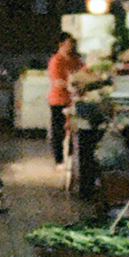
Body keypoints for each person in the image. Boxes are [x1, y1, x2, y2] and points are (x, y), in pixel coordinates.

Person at [46, 33, 82, 167]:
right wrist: (71, 84)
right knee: (58, 131)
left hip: (73, 100)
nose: (70, 46)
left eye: (72, 44)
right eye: (68, 44)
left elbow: (82, 73)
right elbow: (56, 81)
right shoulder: (56, 60)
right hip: (58, 100)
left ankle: (71, 159)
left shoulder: (75, 60)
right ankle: (59, 160)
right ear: (61, 44)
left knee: (73, 130)